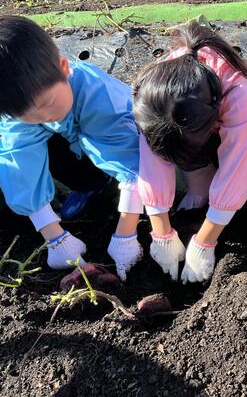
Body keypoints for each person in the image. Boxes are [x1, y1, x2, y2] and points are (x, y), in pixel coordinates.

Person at [134, 21, 247, 283]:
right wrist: (161, 232)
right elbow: (153, 154)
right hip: (198, 132)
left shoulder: (242, 93)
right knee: (176, 143)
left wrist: (204, 242)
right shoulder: (157, 92)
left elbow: (240, 167)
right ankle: (200, 187)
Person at [0, 16, 143, 279]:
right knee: (26, 142)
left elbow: (131, 161)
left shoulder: (101, 98)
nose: (44, 116)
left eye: (47, 104)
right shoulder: (20, 109)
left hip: (121, 148)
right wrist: (54, 236)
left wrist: (126, 234)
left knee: (128, 156)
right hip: (78, 152)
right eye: (27, 115)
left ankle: (109, 183)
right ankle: (91, 185)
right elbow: (17, 160)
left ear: (64, 67)